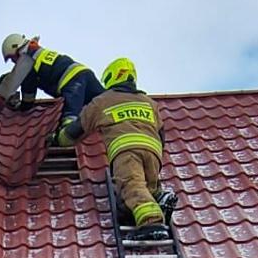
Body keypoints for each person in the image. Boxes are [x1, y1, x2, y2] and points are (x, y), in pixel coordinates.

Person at [57, 57, 178, 239]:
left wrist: (57, 138)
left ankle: (151, 224)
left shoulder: (102, 101)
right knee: (144, 190)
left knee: (132, 186)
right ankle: (159, 198)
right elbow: (161, 134)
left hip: (126, 151)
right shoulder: (149, 103)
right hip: (153, 153)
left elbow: (75, 131)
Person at [0, 33, 106, 141]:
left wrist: (22, 106)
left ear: (17, 49)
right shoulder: (36, 53)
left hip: (71, 82)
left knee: (69, 118)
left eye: (12, 58)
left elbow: (22, 85)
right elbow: (16, 75)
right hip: (85, 73)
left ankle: (66, 139)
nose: (14, 62)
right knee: (106, 103)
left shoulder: (28, 61)